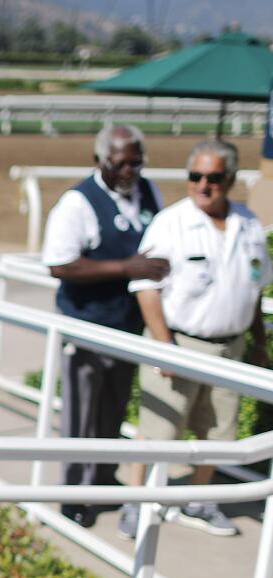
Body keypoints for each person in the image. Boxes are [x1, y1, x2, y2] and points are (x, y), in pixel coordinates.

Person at [119, 138, 270, 539]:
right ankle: (138, 501)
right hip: (179, 345)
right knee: (159, 428)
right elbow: (145, 287)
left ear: (231, 179)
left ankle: (199, 500)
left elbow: (253, 289)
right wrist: (164, 345)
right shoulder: (171, 222)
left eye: (214, 177)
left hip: (230, 347)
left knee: (219, 431)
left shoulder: (249, 224)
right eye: (195, 176)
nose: (203, 184)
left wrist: (257, 342)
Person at [41, 125, 170, 528]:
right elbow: (59, 263)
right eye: (121, 163)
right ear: (100, 161)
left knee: (114, 408)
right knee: (83, 414)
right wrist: (125, 267)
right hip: (88, 326)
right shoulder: (78, 202)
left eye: (137, 161)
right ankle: (75, 495)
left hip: (127, 327)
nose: (130, 170)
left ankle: (101, 478)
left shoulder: (150, 193)